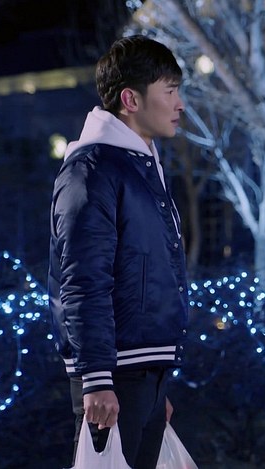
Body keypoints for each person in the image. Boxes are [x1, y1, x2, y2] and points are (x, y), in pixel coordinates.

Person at [48, 35, 188, 469]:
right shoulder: (93, 171)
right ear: (131, 99)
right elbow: (82, 280)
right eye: (170, 91)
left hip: (143, 375)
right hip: (115, 377)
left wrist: (157, 386)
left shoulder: (140, 165)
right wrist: (97, 379)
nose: (180, 104)